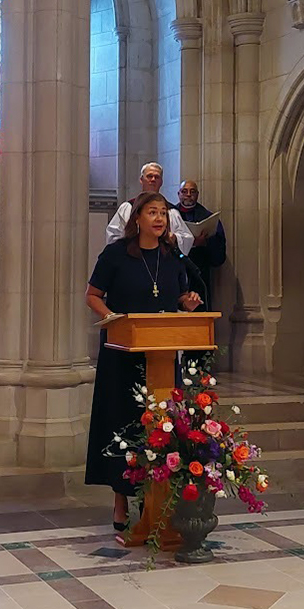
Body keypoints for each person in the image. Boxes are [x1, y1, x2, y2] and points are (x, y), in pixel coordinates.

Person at [84, 192, 204, 531]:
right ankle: (121, 499)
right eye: (152, 212)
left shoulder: (172, 256)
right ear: (136, 219)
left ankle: (160, 496)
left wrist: (188, 301)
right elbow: (92, 295)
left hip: (161, 358)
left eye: (163, 213)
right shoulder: (115, 255)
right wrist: (112, 318)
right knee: (123, 425)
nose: (159, 218)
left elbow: (175, 298)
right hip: (122, 356)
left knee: (161, 425)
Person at [105, 162, 195, 254]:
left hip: (162, 259)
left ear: (161, 182)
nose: (153, 179)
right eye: (149, 176)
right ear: (141, 180)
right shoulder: (128, 208)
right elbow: (113, 235)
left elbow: (187, 237)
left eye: (157, 177)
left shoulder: (171, 211)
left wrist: (175, 237)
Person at [175, 179, 226, 306]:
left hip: (198, 271)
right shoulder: (171, 214)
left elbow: (219, 254)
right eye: (184, 191)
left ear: (197, 195)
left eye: (192, 192)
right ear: (178, 194)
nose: (188, 195)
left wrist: (205, 243)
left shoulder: (207, 217)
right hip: (175, 271)